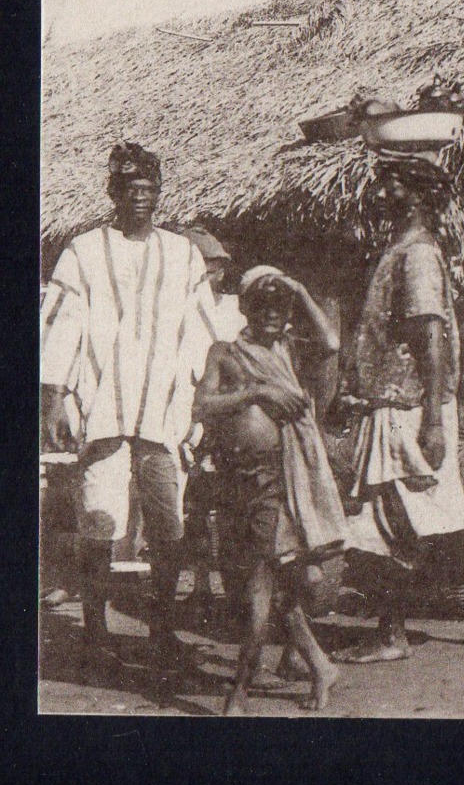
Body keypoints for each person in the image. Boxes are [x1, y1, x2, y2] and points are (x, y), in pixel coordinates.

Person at [336, 153, 464, 660]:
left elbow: (430, 335)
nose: (380, 196)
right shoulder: (401, 250)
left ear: (418, 196)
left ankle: (400, 630)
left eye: (391, 187)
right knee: (402, 521)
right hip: (394, 404)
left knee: (404, 519)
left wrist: (432, 420)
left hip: (408, 407)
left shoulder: (418, 255)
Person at [39, 143, 220, 667]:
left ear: (159, 194)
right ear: (113, 192)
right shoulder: (84, 251)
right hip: (104, 412)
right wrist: (52, 398)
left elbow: (204, 332)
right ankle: (95, 632)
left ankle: (161, 630)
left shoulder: (182, 253)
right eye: (130, 188)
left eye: (149, 189)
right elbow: (63, 325)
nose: (141, 197)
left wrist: (202, 400)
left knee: (168, 528)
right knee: (100, 524)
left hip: (164, 414)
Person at [192, 266, 347, 715]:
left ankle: (237, 694)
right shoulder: (225, 354)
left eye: (281, 310)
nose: (273, 317)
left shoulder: (289, 352)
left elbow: (332, 342)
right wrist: (255, 393)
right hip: (232, 483)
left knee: (259, 597)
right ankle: (320, 665)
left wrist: (298, 286)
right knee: (260, 590)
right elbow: (202, 406)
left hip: (278, 484)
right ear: (245, 309)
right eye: (264, 308)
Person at [178, 227, 247, 623]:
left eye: (211, 267)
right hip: (196, 413)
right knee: (196, 505)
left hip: (231, 412)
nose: (207, 275)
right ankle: (202, 584)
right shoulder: (181, 310)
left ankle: (235, 589)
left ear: (221, 269)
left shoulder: (237, 308)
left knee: (234, 505)